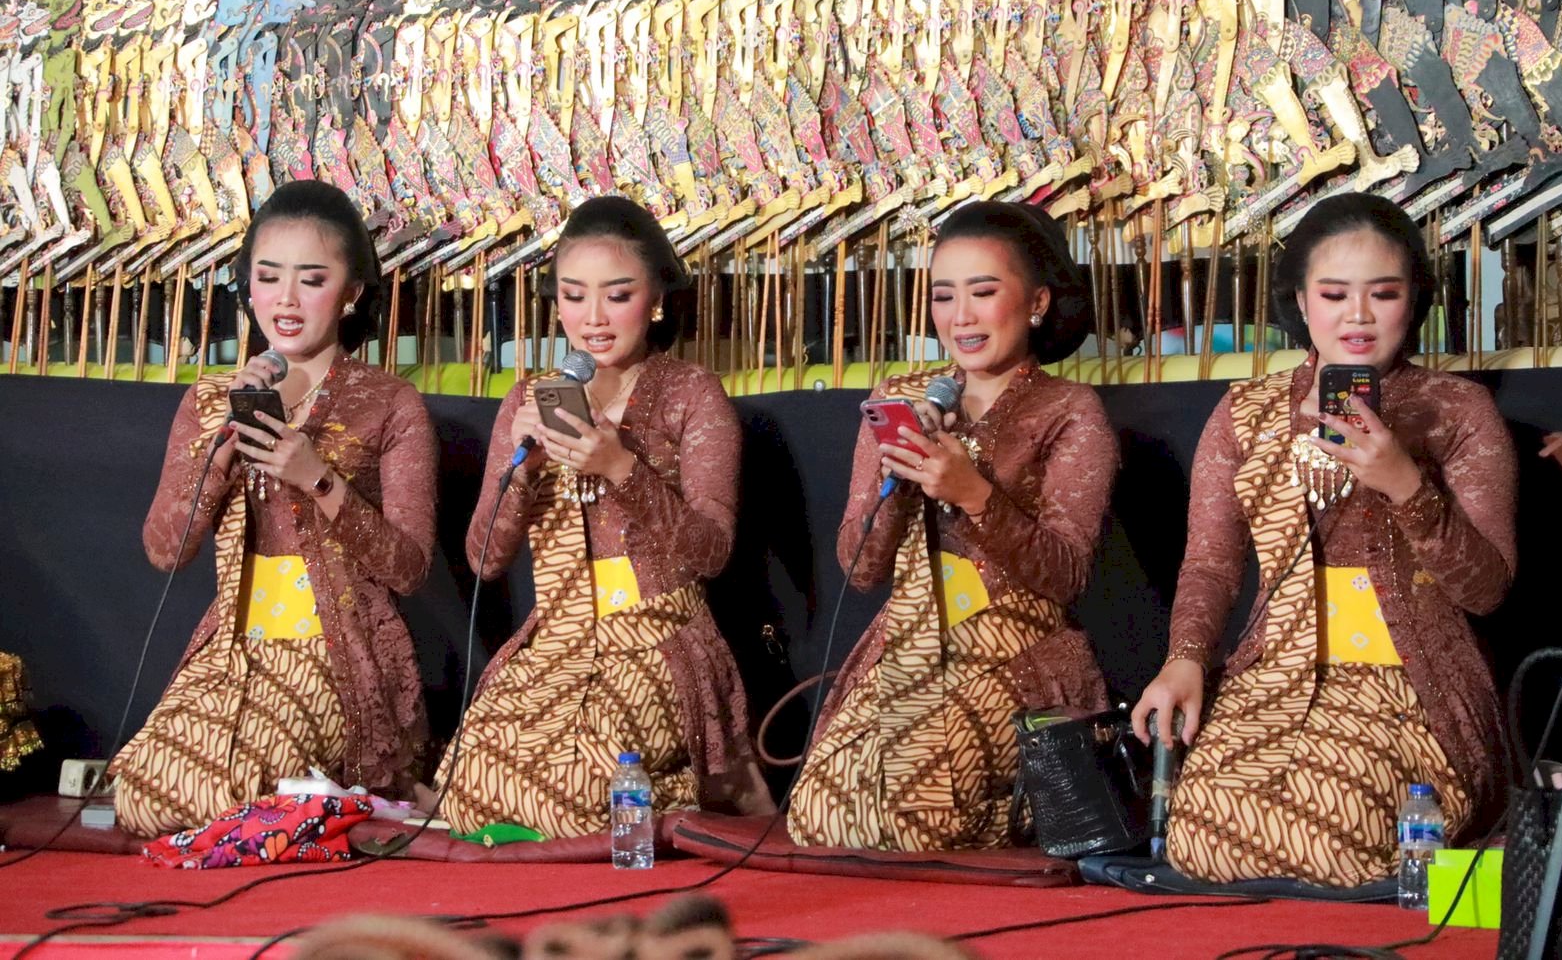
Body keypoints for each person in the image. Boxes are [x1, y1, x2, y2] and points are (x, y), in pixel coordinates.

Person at [1133, 192, 1515, 887]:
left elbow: (1486, 591)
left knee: (1331, 834)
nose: (1359, 316)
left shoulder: (1457, 408)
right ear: (1301, 304)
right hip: (1275, 681)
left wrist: (1405, 483)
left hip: (1409, 691)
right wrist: (1184, 660)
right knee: (1200, 830)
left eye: (1384, 294)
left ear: (1414, 300)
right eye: (1334, 294)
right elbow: (1211, 565)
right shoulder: (1246, 412)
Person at [787, 200, 1118, 852]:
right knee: (816, 816)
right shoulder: (899, 399)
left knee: (919, 815)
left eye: (983, 292)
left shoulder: (1070, 411)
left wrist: (974, 495)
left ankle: (1033, 812)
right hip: (907, 648)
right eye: (944, 295)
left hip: (1012, 654)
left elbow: (1067, 574)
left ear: (1037, 302)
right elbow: (861, 568)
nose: (960, 316)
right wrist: (900, 486)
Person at [437, 196, 772, 838]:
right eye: (573, 296)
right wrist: (526, 468)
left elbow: (712, 551)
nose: (593, 318)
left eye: (616, 296)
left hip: (655, 638)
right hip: (557, 641)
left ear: (656, 300)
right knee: (467, 787)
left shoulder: (690, 395)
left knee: (589, 791)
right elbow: (484, 559)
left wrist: (622, 467)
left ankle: (689, 790)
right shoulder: (529, 400)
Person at [112, 180, 438, 837]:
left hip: (335, 651)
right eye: (268, 277)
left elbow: (409, 568)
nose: (286, 300)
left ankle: (339, 788)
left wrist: (319, 480)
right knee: (141, 793)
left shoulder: (387, 402)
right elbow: (164, 550)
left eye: (311, 279)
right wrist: (222, 452)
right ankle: (325, 800)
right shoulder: (212, 399)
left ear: (350, 294)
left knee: (236, 786)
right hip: (234, 649)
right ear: (248, 286)